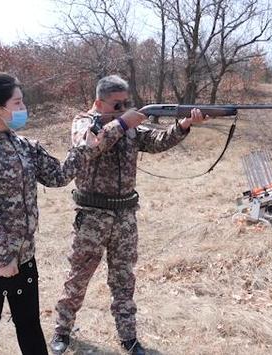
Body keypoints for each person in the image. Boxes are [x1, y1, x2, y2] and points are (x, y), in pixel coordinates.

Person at [50, 75, 208, 355]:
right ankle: (62, 331)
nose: (124, 107)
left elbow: (157, 141)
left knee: (124, 279)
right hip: (92, 215)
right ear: (99, 102)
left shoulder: (131, 126)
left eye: (127, 103)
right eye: (117, 104)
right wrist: (123, 122)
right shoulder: (83, 122)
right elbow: (90, 146)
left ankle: (129, 338)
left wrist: (183, 125)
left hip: (125, 215)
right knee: (78, 277)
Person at [0, 72, 84, 355]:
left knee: (29, 323)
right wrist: (2, 257)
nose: (23, 109)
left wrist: (83, 150)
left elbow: (57, 176)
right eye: (18, 103)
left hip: (22, 254)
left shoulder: (22, 144)